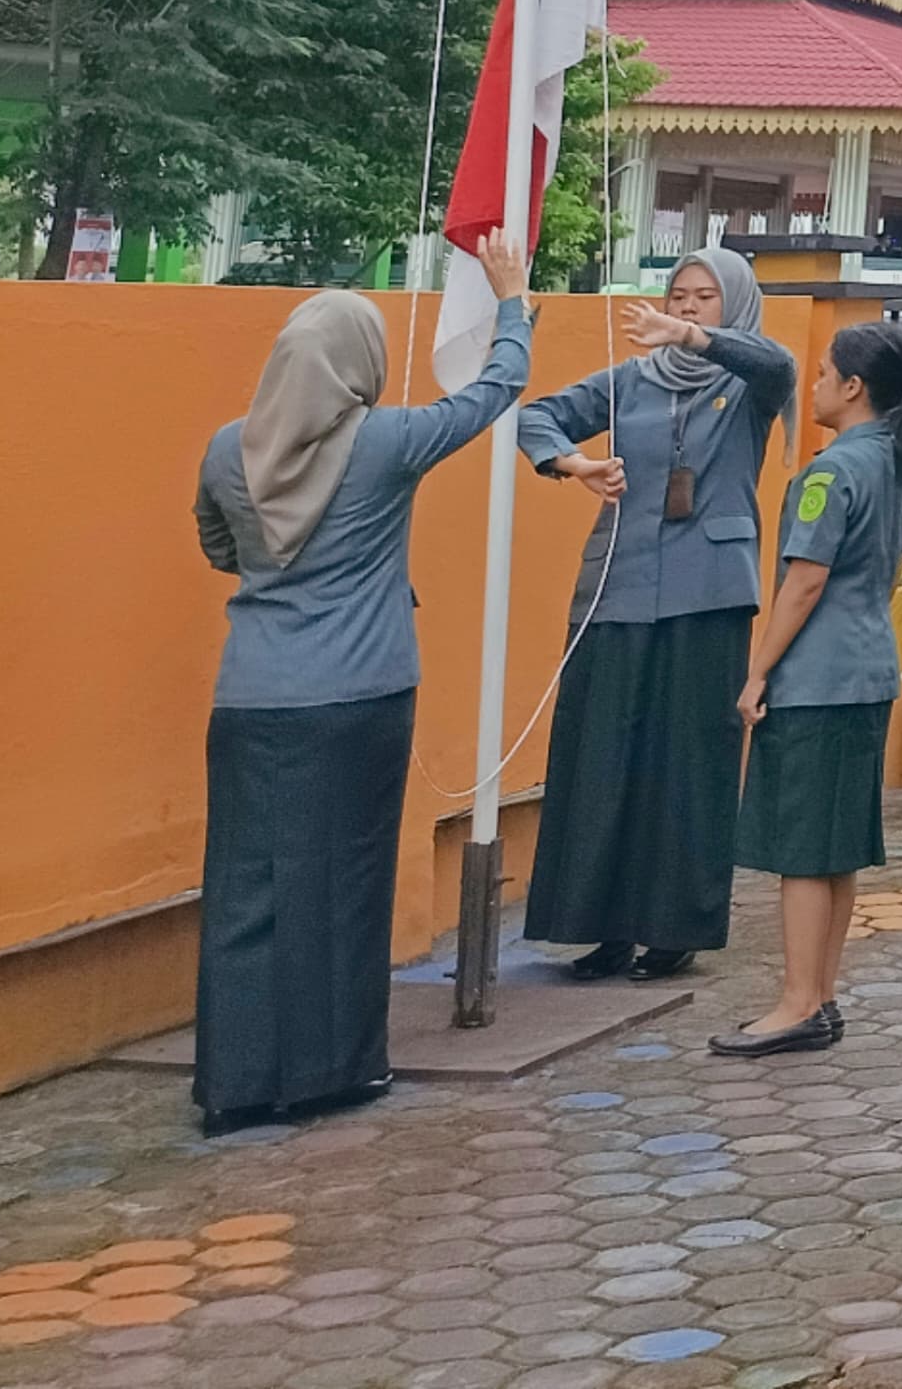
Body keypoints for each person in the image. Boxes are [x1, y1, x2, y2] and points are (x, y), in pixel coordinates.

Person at [189, 226, 539, 1136]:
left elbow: (217, 545)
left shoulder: (229, 447)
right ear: (358, 364)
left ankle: (234, 1080)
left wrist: (279, 584)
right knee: (341, 883)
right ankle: (331, 1072)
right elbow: (495, 392)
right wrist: (512, 299)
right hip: (358, 697)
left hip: (249, 698)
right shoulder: (385, 442)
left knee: (245, 887)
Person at [515, 241, 800, 980]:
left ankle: (673, 927)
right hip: (619, 584)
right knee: (603, 757)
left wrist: (697, 339)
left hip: (707, 592)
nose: (686, 307)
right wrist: (574, 464)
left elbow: (779, 367)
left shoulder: (746, 384)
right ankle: (599, 925)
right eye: (679, 296)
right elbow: (538, 415)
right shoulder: (630, 381)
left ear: (732, 304)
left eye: (706, 297)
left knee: (686, 761)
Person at [716, 318, 902, 1057]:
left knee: (803, 850)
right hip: (868, 666)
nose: (812, 385)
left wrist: (757, 671)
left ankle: (795, 1001)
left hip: (815, 678)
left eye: (822, 374)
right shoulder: (898, 461)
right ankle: (821, 993)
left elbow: (804, 579)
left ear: (852, 387)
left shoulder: (830, 472)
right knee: (837, 846)